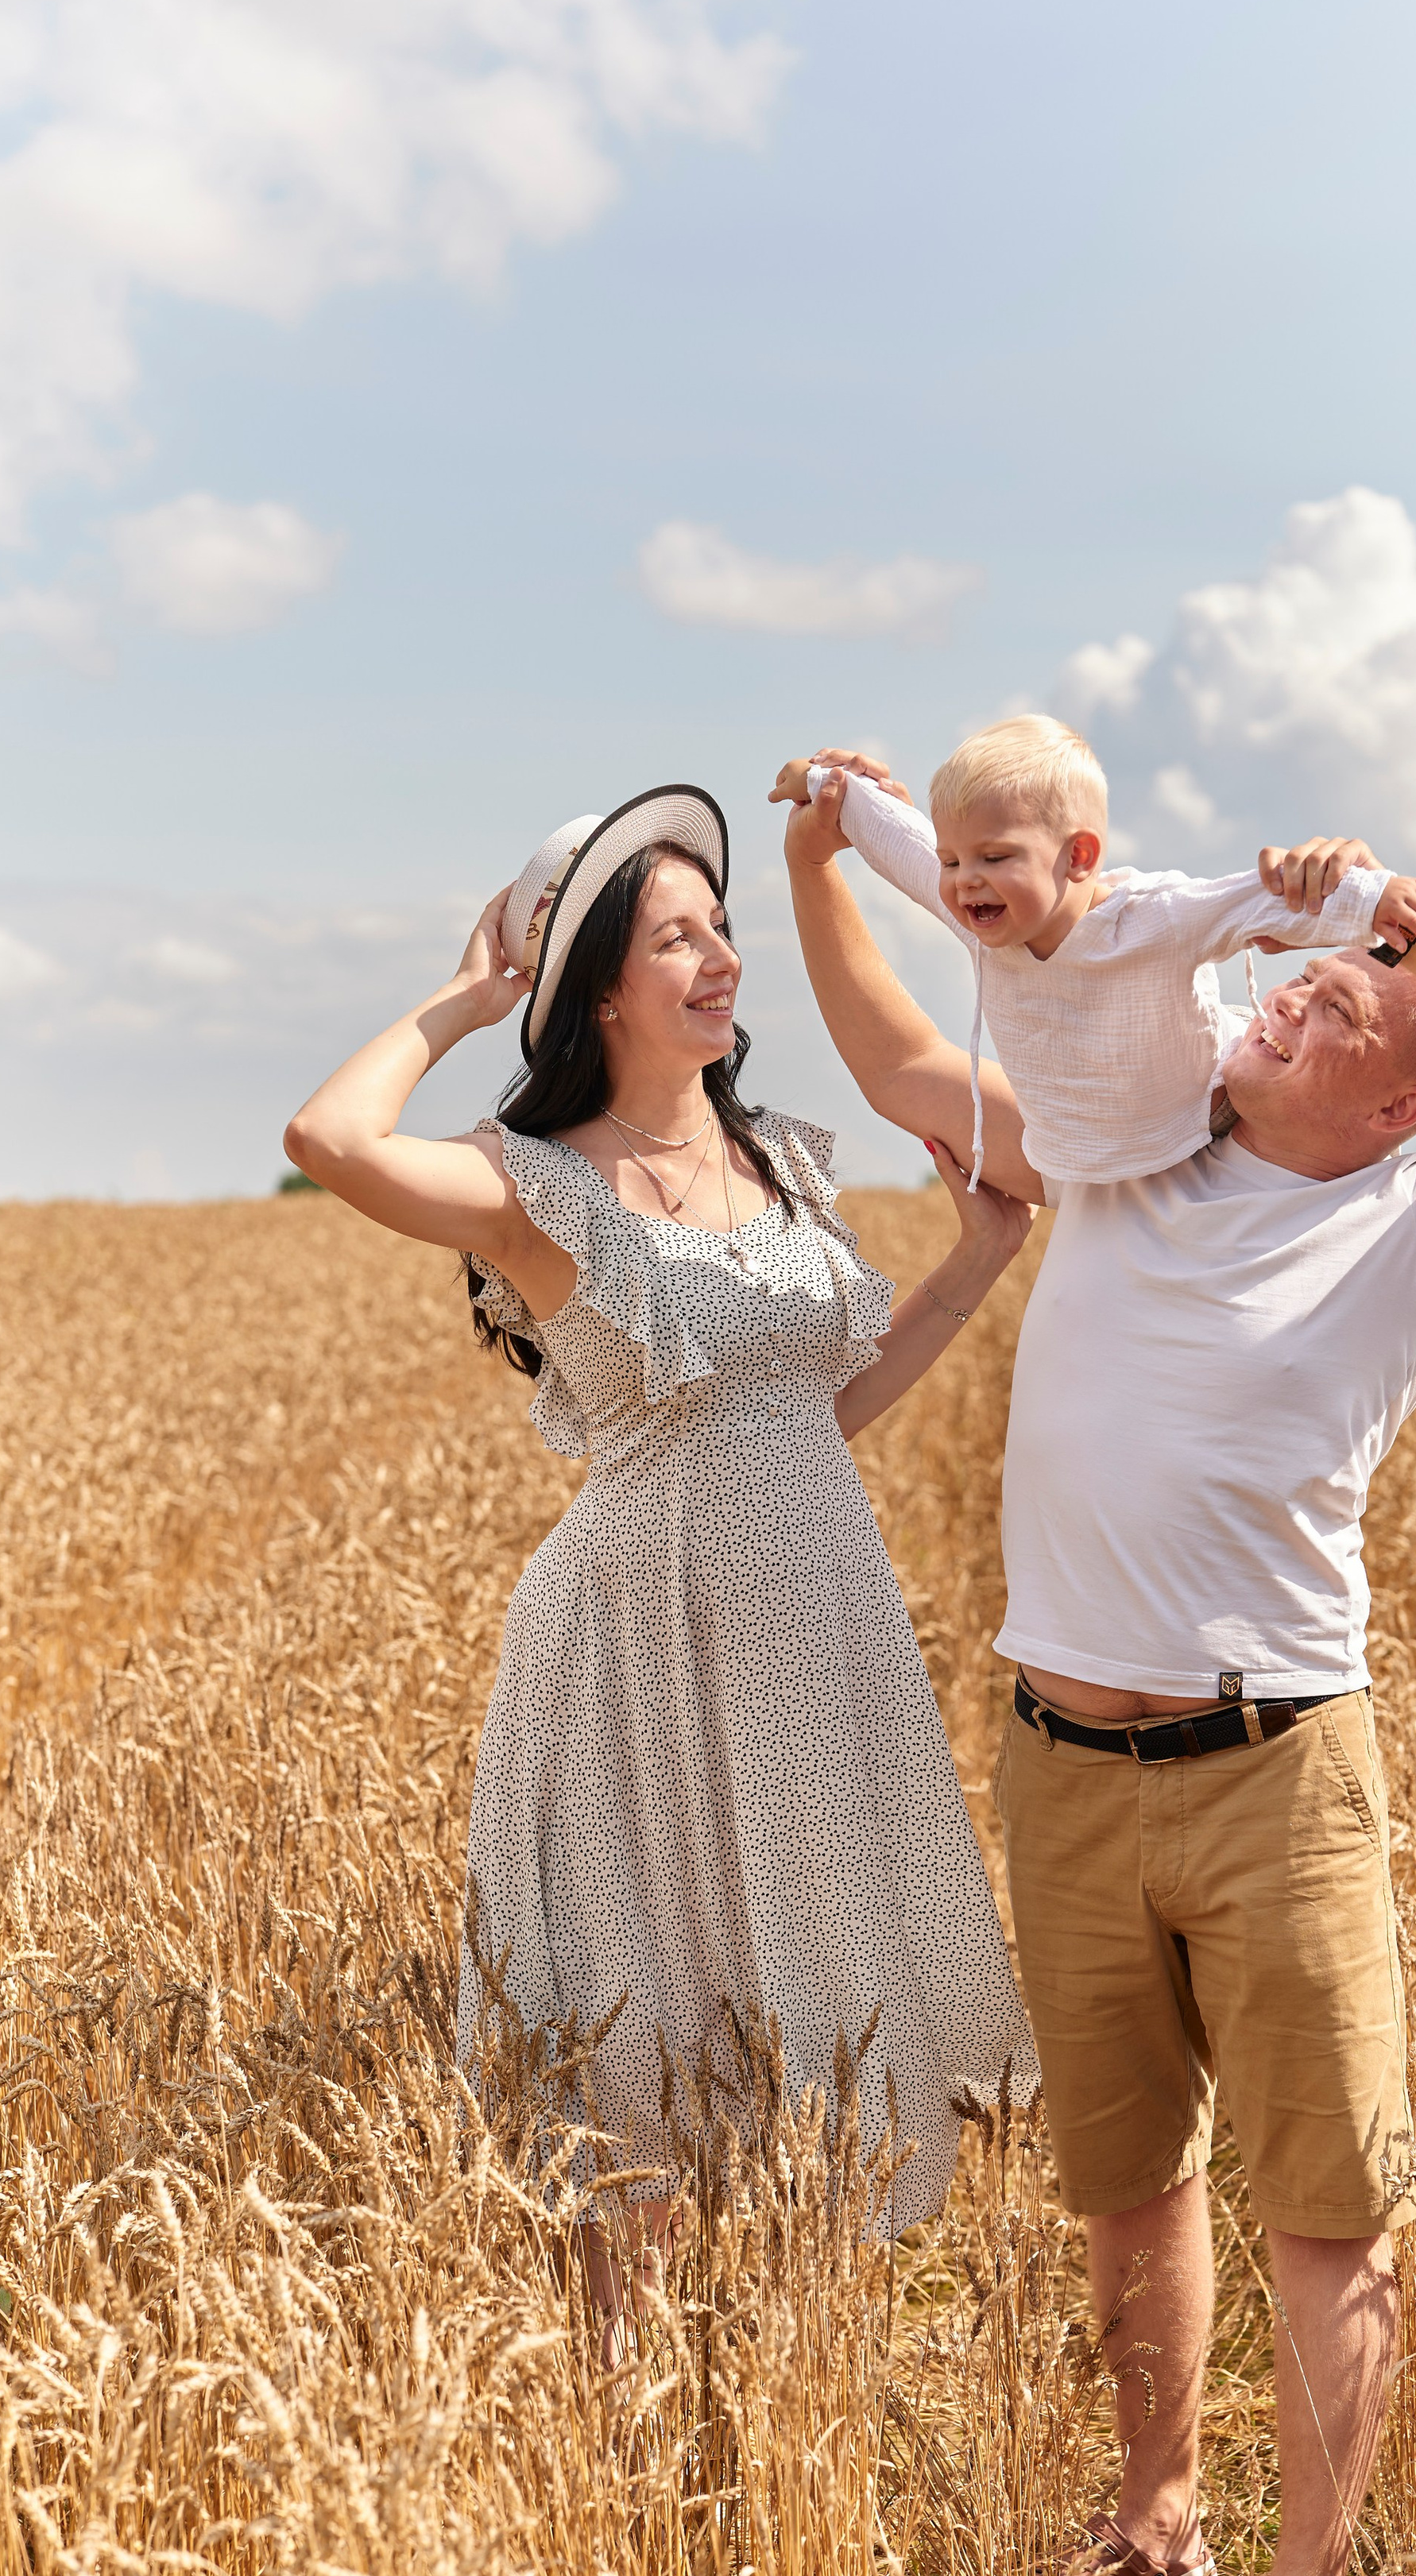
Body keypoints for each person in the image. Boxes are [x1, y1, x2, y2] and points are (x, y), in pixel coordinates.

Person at [782, 774, 1416, 2576]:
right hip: (1059, 1758)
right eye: (1300, 976)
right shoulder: (1112, 1151)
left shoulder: (1412, 1227)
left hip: (1274, 1769)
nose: (1292, 995)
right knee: (1124, 2180)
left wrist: (1401, 922)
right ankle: (1156, 2520)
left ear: (1401, 1102)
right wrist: (819, 858)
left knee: (1324, 2204)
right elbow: (908, 1055)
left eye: (1347, 1006)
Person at [284, 783, 1039, 2314]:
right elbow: (331, 1140)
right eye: (673, 937)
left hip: (818, 1629)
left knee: (817, 2025)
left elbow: (813, 1412)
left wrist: (968, 1271)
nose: (719, 960)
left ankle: (783, 2415)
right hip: (645, 1641)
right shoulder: (537, 1183)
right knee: (651, 2059)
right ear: (599, 989)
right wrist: (464, 998)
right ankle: (628, 2453)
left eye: (722, 928)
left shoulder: (780, 1162)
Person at [769, 721, 1416, 1189]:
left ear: (1080, 856)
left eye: (995, 857)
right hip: (1076, 1150)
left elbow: (1251, 899)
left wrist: (1375, 895)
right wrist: (818, 780)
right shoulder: (979, 915)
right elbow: (896, 837)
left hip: (1197, 1112)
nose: (963, 878)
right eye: (954, 859)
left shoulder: (1152, 918)